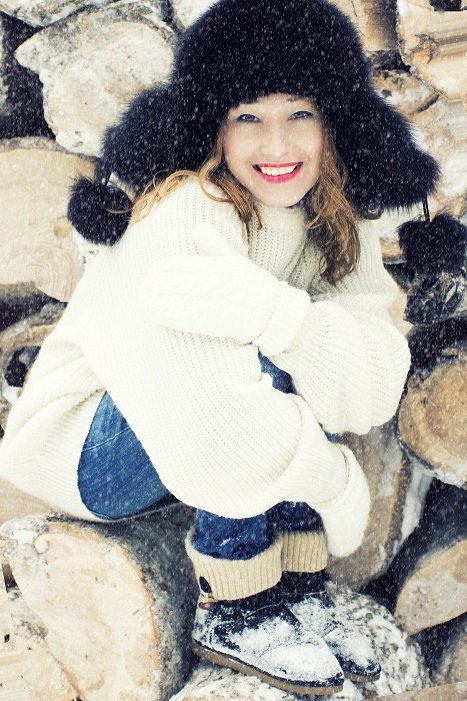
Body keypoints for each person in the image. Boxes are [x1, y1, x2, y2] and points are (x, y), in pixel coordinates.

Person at [0, 0, 439, 695]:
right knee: (252, 354)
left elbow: (367, 385)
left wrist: (281, 315)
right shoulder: (187, 210)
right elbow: (211, 417)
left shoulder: (331, 216)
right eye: (248, 117)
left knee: (299, 337)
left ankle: (294, 587)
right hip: (88, 452)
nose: (277, 144)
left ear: (334, 122)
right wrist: (332, 479)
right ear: (214, 126)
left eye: (300, 113)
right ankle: (236, 605)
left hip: (191, 429)